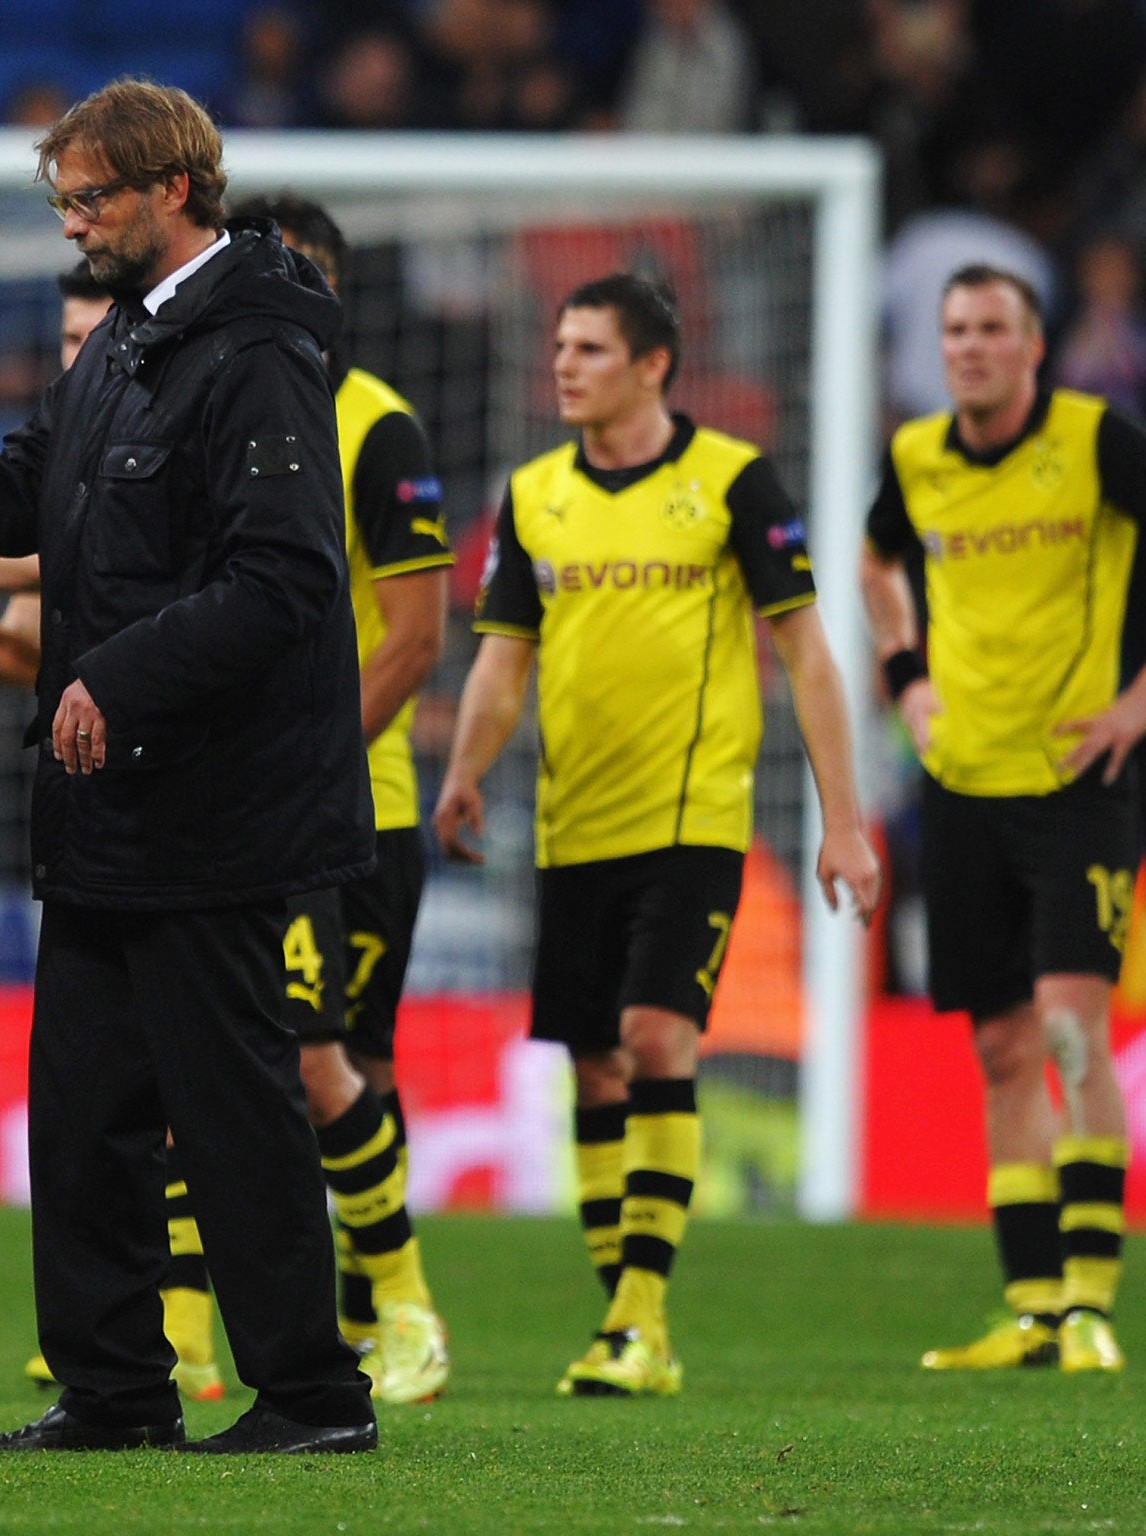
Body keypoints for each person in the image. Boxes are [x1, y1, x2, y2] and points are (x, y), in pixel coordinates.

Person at [0, 79, 378, 1455]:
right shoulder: (122, 348)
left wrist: (117, 670)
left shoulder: (260, 352)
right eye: (62, 201)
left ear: (175, 189)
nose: (74, 224)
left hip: (216, 804)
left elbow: (286, 579)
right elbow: (10, 498)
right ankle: (114, 1392)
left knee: (231, 1109)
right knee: (87, 1115)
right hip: (110, 809)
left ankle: (311, 1398)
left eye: (92, 199)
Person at [434, 272, 881, 1398]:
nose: (564, 366)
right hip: (569, 824)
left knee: (653, 1037)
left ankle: (639, 1320)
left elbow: (808, 656)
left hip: (691, 820)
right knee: (591, 1066)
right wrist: (463, 775)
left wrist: (843, 821)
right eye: (559, 347)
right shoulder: (535, 494)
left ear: (651, 366)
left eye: (588, 348)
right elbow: (500, 663)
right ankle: (621, 1318)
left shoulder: (730, 481)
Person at [860, 264, 1146, 1374]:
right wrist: (905, 676)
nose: (970, 347)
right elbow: (872, 559)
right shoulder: (914, 458)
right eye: (953, 329)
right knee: (998, 1047)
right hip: (959, 782)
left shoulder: (1096, 441)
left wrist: (1144, 694)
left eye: (992, 328)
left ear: (1033, 348)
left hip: (1074, 781)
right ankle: (1031, 1306)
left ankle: (1091, 1302)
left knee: (1072, 1027)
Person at [228, 191, 451, 1403]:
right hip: (248, 806)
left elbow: (414, 643)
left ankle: (397, 1307)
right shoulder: (224, 405)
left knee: (336, 1061)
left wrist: (301, 766)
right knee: (316, 1063)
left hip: (354, 804)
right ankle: (367, 1314)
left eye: (295, 268)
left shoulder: (376, 428)